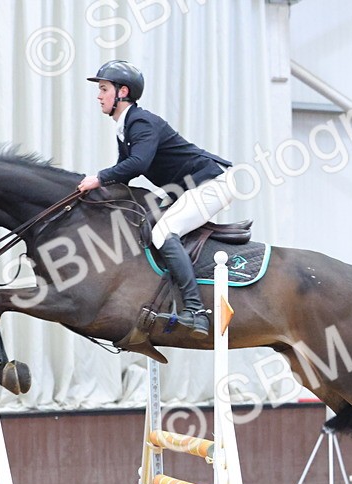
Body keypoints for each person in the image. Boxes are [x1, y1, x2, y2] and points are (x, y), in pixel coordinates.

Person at [78, 60, 235, 338]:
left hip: (212, 183)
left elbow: (138, 164)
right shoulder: (125, 127)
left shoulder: (141, 122)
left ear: (122, 92)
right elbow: (124, 174)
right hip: (192, 187)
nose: (98, 96)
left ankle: (197, 311)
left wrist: (99, 177)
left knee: (164, 232)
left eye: (103, 89)